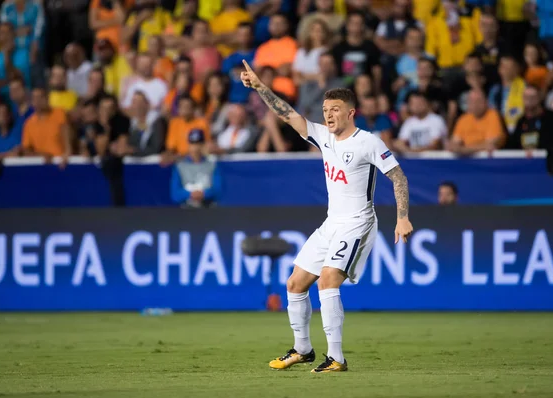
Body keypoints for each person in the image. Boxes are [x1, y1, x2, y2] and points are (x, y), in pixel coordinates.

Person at [240, 60, 413, 373]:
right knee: (294, 283)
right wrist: (260, 86)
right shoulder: (322, 136)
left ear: (350, 113)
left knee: (329, 280)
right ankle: (302, 349)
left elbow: (399, 177)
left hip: (358, 223)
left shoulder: (368, 142)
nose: (328, 115)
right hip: (331, 223)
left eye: (335, 109)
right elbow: (286, 113)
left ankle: (337, 357)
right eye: (325, 109)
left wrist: (402, 217)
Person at [170, 128, 223, 208]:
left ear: (203, 145)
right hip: (187, 210)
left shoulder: (212, 165)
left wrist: (203, 194)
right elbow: (175, 194)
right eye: (192, 143)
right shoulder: (180, 166)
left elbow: (218, 191)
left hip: (207, 208)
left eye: (198, 143)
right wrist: (190, 194)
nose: (195, 148)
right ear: (188, 145)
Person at [21, 87, 71, 167]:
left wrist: (67, 153)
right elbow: (26, 149)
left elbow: (67, 135)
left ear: (47, 98)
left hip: (62, 163)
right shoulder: (28, 123)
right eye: (35, 98)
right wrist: (41, 155)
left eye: (41, 97)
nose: (38, 101)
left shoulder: (59, 113)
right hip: (41, 167)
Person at [449, 89, 505, 155]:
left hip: (490, 162)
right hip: (466, 162)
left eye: (478, 101)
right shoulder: (463, 119)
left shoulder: (493, 115)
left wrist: (463, 150)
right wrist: (462, 149)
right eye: (472, 101)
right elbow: (453, 144)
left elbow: (491, 144)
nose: (475, 105)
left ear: (486, 102)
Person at [510, 85, 553, 150]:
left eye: (532, 97)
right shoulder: (521, 121)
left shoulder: (550, 117)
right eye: (526, 97)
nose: (529, 100)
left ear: (539, 98)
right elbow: (513, 145)